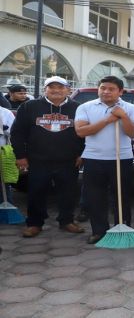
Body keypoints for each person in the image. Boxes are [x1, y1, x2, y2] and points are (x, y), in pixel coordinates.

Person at [12, 76, 84, 238]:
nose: (56, 90)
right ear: (45, 90)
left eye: (61, 87)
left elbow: (85, 134)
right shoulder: (29, 107)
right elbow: (17, 133)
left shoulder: (78, 108)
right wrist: (20, 156)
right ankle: (35, 223)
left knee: (68, 193)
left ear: (68, 90)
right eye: (52, 87)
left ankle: (67, 221)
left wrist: (82, 154)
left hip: (68, 160)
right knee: (36, 192)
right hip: (37, 160)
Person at [75, 76, 134, 244]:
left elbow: (133, 134)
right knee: (95, 197)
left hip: (121, 158)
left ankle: (122, 227)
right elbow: (81, 132)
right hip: (93, 158)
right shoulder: (86, 107)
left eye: (111, 89)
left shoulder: (131, 108)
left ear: (120, 91)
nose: (106, 91)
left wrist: (123, 117)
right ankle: (99, 230)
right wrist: (108, 120)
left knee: (122, 196)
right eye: (103, 88)